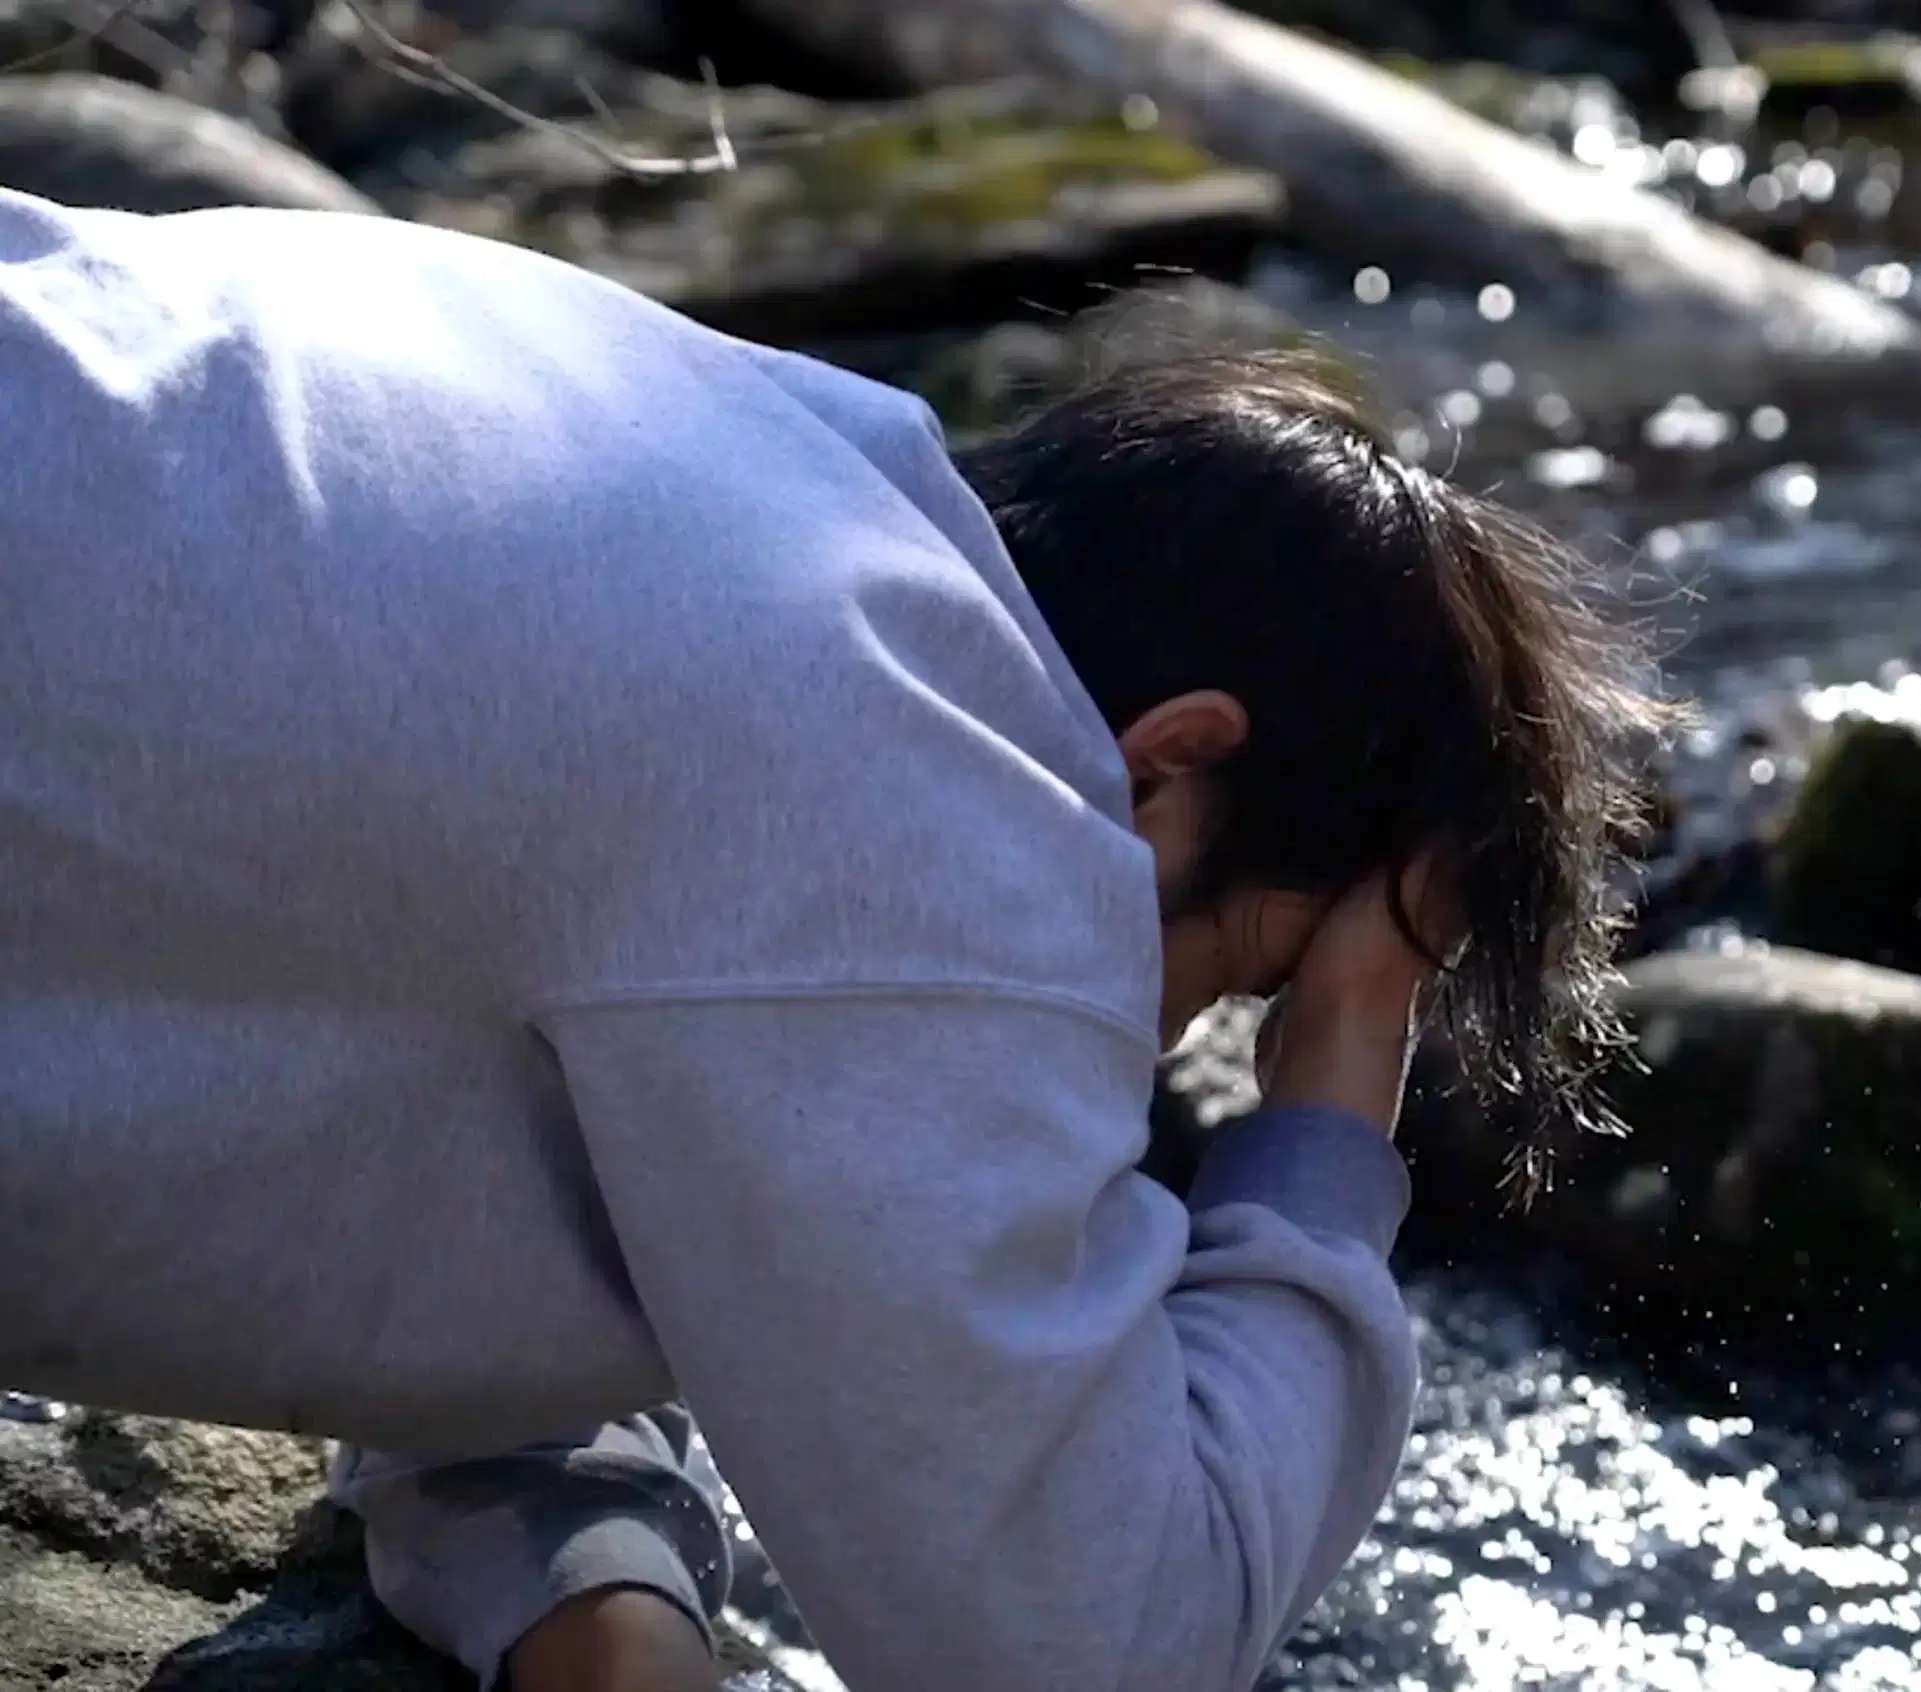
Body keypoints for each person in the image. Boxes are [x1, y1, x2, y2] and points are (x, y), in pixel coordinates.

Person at [0, 182, 1669, 1692]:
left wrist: (587, 1554)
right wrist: (1331, 1093)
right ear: (1169, 766)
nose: (1155, 1054)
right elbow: (1100, 1653)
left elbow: (461, 1081)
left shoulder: (780, 459)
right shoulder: (914, 807)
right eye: (1241, 981)